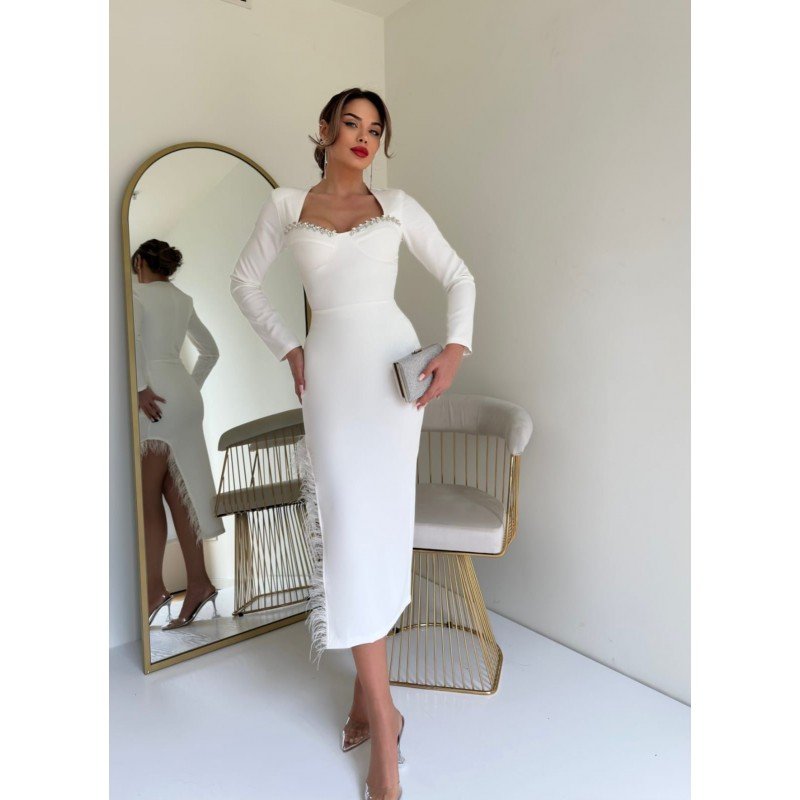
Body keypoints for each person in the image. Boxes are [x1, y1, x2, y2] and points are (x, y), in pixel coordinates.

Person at [230, 88, 476, 800]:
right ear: (325, 130)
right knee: (346, 535)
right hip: (332, 382)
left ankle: (377, 718)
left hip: (392, 381)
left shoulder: (396, 205)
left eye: (375, 128)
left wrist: (455, 350)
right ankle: (382, 711)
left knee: (378, 534)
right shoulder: (286, 205)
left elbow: (459, 275)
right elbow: (244, 282)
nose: (363, 137)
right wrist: (288, 347)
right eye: (351, 124)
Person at [132, 240, 225, 631]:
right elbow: (211, 352)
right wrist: (189, 388)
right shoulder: (183, 299)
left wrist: (141, 389)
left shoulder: (136, 294)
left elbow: (135, 342)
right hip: (185, 399)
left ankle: (154, 589)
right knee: (180, 494)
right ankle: (199, 582)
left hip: (154, 401)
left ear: (140, 262)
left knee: (146, 497)